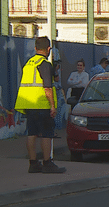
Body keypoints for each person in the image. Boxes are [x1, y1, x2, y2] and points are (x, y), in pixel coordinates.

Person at [14, 36, 67, 174]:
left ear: (36, 48)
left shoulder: (29, 63)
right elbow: (48, 87)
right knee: (46, 134)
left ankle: (33, 164)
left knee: (31, 134)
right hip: (42, 104)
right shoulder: (44, 64)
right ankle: (47, 163)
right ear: (49, 49)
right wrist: (53, 106)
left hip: (28, 104)